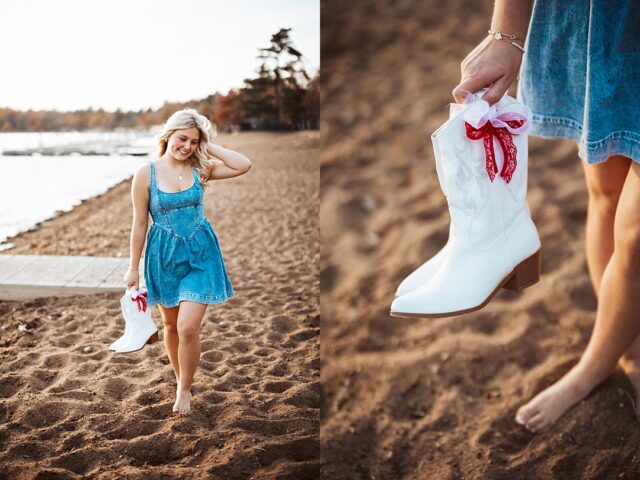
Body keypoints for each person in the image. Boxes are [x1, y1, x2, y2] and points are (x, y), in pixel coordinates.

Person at [452, 0, 640, 433]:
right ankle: (627, 347)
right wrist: (505, 33)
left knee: (635, 233)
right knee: (606, 195)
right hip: (592, 23)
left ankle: (592, 366)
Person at [123, 108, 251, 415]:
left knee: (188, 327)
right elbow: (140, 223)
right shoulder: (146, 174)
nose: (187, 147)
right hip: (163, 257)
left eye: (194, 141)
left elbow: (243, 165)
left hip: (201, 254)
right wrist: (132, 267)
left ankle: (183, 389)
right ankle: (182, 377)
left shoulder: (200, 167)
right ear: (168, 135)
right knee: (170, 326)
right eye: (182, 138)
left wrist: (206, 144)